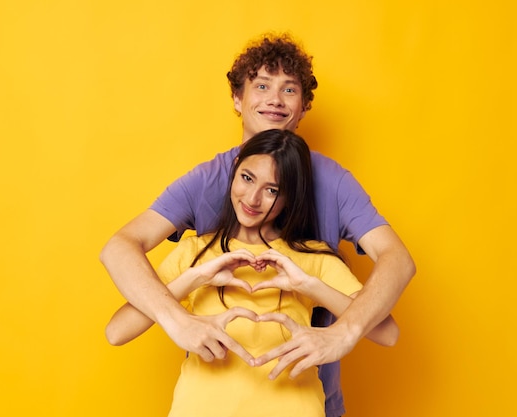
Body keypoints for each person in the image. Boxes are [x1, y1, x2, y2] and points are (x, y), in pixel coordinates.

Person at [100, 32, 415, 417]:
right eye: (262, 85)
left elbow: (396, 266)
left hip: (305, 399)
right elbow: (119, 253)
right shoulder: (202, 216)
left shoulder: (324, 214)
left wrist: (341, 329)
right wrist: (178, 316)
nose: (274, 99)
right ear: (238, 98)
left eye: (289, 90)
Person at [105, 129, 400, 417]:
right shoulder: (193, 252)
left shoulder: (314, 257)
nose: (253, 198)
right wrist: (195, 278)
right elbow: (117, 332)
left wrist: (309, 286)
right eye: (247, 178)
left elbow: (386, 332)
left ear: (289, 197)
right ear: (234, 170)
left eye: (272, 190)